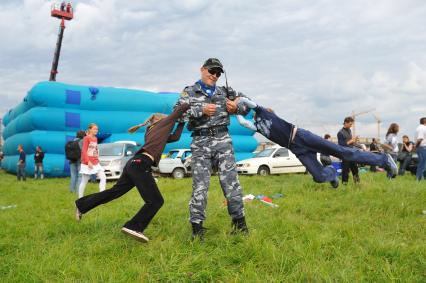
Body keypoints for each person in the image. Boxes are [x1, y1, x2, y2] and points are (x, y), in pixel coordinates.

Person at [75, 104, 189, 243]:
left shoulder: (151, 131)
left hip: (134, 163)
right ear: (160, 122)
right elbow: (176, 113)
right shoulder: (160, 126)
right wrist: (189, 103)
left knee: (114, 192)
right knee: (156, 201)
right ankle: (134, 227)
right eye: (166, 121)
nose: (168, 123)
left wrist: (182, 122)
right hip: (140, 164)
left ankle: (82, 205)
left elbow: (175, 137)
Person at [235, 97, 398, 188]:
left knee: (344, 152)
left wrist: (238, 101)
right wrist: (235, 111)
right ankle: (332, 174)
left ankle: (384, 160)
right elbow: (242, 123)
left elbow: (246, 100)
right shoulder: (255, 126)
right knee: (319, 177)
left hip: (302, 136)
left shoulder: (264, 111)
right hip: (296, 149)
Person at [174, 58, 250, 240]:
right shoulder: (189, 91)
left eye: (218, 73)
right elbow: (177, 113)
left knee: (231, 184)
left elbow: (248, 105)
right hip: (200, 142)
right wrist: (200, 109)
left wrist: (236, 107)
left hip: (222, 140)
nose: (214, 75)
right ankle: (197, 229)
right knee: (200, 186)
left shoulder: (226, 91)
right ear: (202, 69)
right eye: (211, 71)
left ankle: (240, 225)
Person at [78, 123, 106, 198]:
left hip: (95, 162)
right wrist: (88, 162)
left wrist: (97, 158)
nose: (96, 130)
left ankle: (102, 195)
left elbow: (95, 149)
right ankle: (80, 198)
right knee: (84, 181)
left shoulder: (95, 138)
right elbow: (84, 151)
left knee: (103, 176)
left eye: (97, 129)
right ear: (90, 129)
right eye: (94, 129)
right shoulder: (86, 138)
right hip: (87, 163)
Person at [337, 117, 360, 184]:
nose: (351, 126)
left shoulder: (349, 130)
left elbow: (350, 143)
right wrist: (351, 141)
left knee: (355, 169)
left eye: (352, 124)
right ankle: (345, 185)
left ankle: (357, 183)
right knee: (345, 171)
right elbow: (341, 145)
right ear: (345, 123)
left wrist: (354, 141)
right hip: (345, 154)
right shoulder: (340, 133)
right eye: (350, 124)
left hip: (351, 153)